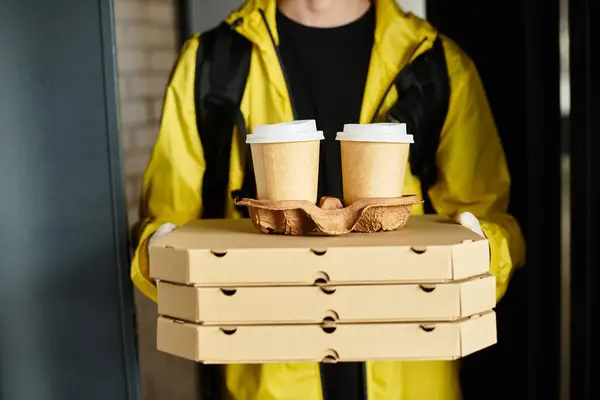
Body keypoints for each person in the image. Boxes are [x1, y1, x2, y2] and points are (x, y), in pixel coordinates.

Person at [131, 0, 526, 398]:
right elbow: (166, 229)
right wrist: (163, 254)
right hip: (266, 380)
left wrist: (477, 253)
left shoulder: (436, 63)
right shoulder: (211, 65)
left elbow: (491, 221)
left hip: (408, 376)